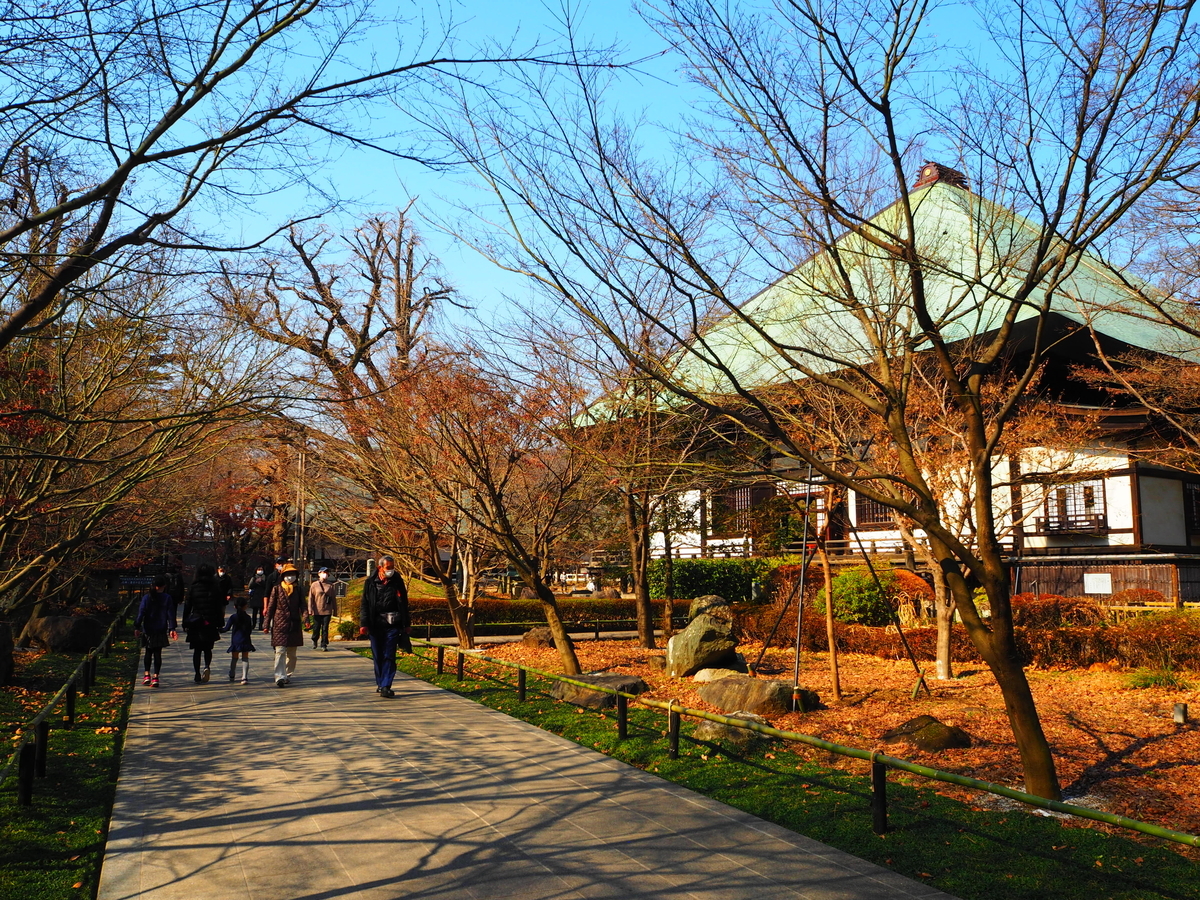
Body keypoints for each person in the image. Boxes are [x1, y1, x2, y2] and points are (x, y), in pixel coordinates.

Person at [358, 555, 411, 698]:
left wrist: (406, 624)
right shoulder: (370, 582)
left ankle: (386, 685)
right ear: (380, 567)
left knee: (389, 654)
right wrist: (364, 624)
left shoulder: (397, 581)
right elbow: (365, 604)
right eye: (388, 567)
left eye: (393, 567)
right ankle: (380, 683)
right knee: (378, 655)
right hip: (375, 624)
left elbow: (404, 604)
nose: (391, 570)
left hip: (393, 624)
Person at [182, 563, 225, 684]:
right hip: (210, 621)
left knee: (197, 650)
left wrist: (185, 622)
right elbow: (219, 607)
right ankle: (206, 666)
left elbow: (188, 606)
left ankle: (196, 673)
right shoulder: (215, 587)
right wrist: (220, 622)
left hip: (196, 621)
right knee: (207, 648)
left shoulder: (193, 587)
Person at [265, 562, 304, 687]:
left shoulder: (299, 589)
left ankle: (287, 674)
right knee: (280, 651)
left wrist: (306, 620)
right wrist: (266, 623)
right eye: (288, 575)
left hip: (294, 624)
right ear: (283, 576)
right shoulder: (276, 589)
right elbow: (271, 607)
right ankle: (279, 677)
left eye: (292, 574)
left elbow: (303, 606)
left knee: (292, 654)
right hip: (279, 624)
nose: (290, 577)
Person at [134, 575, 177, 688]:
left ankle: (146, 675)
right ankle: (156, 677)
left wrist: (137, 627)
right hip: (160, 629)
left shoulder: (147, 598)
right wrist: (172, 628)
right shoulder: (167, 598)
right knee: (158, 653)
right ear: (164, 586)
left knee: (148, 652)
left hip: (148, 629)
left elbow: (141, 613)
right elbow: (170, 615)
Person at [222, 596, 256, 684]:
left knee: (234, 658)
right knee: (245, 658)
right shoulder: (248, 617)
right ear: (245, 606)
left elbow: (226, 629)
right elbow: (250, 630)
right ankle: (244, 677)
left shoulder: (233, 617)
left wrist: (217, 629)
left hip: (236, 641)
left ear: (235, 607)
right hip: (245, 640)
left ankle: (232, 673)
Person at [307, 567, 336, 651]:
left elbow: (333, 598)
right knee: (316, 627)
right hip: (317, 610)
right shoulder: (314, 585)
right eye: (323, 572)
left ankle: (324, 644)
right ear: (319, 573)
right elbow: (310, 598)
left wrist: (335, 610)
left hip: (327, 610)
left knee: (325, 628)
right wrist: (310, 609)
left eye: (326, 572)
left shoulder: (330, 585)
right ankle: (314, 639)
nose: (325, 574)